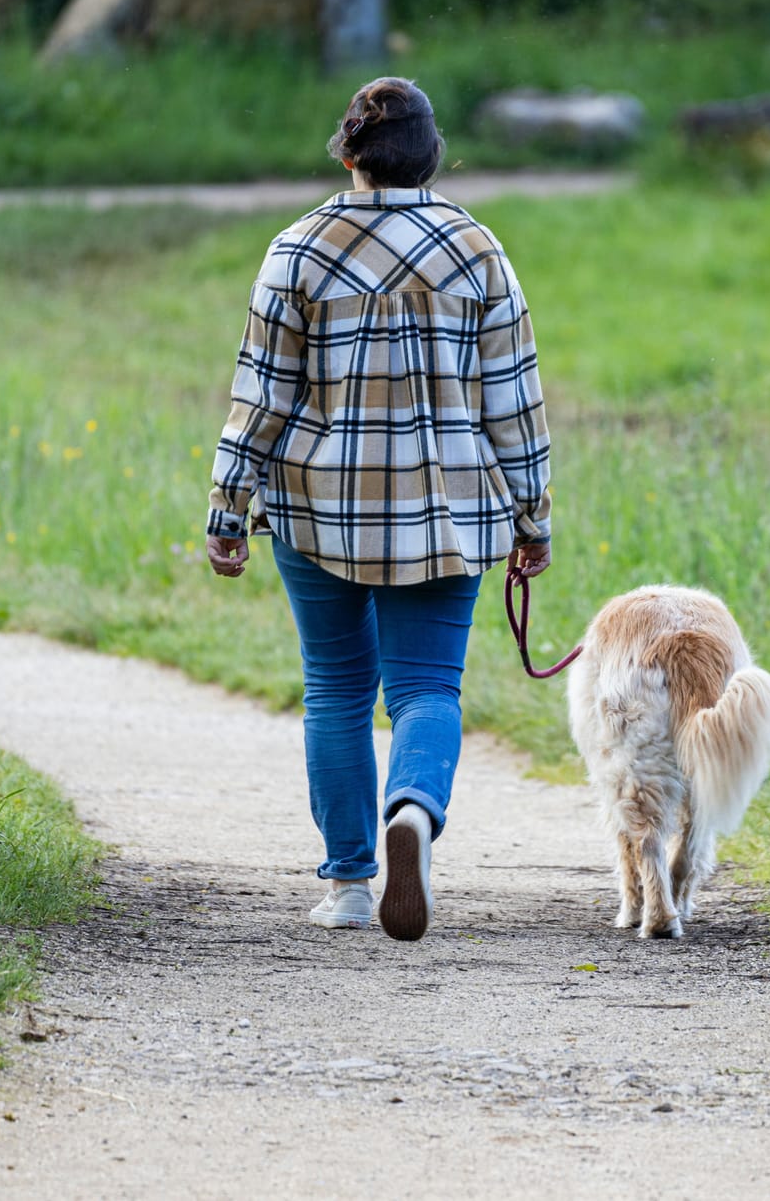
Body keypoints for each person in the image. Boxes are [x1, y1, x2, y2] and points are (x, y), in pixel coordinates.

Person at [205, 77, 552, 941]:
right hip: (447, 509)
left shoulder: (299, 249)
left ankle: (353, 883)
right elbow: (513, 399)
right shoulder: (478, 250)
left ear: (350, 154)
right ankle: (415, 813)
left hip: (317, 506)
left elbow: (263, 394)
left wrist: (227, 504)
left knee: (336, 690)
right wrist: (532, 515)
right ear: (432, 157)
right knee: (428, 687)